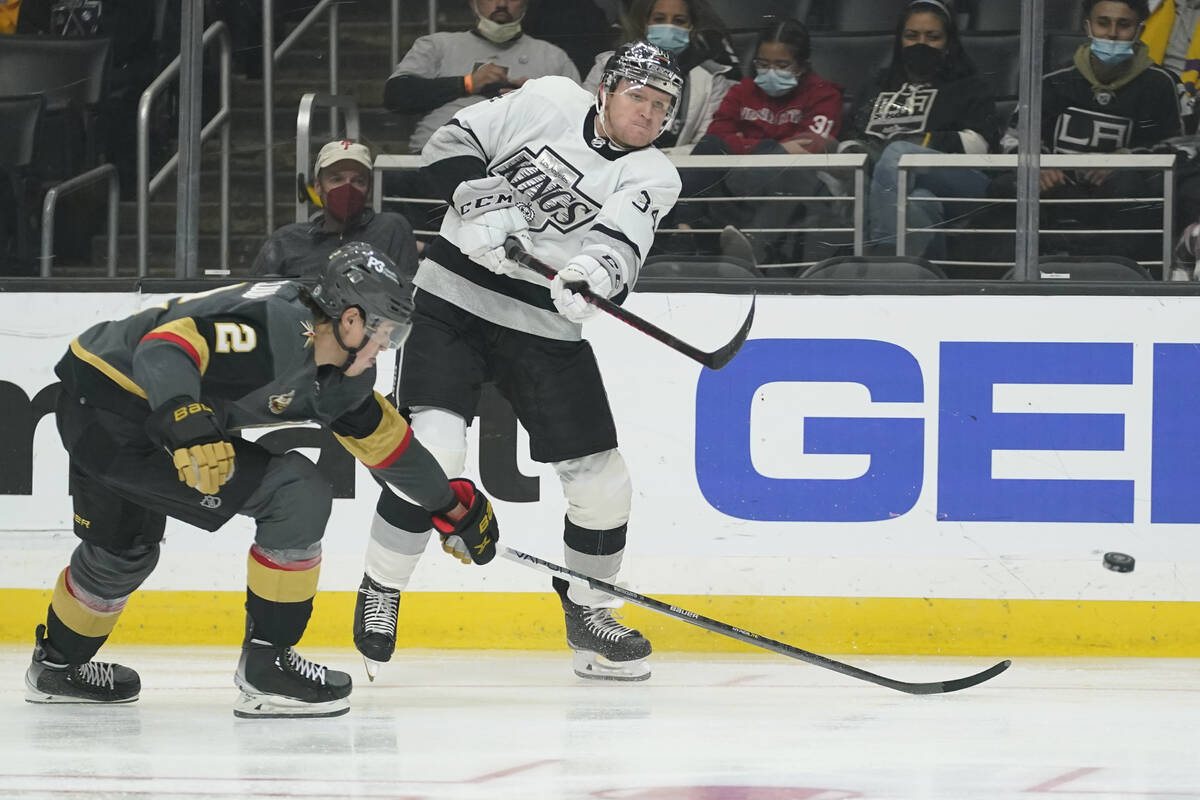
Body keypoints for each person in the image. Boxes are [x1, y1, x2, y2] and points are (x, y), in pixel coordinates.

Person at [25, 243, 498, 718]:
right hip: (120, 415)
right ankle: (268, 667)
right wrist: (186, 422)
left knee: (122, 552)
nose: (385, 349)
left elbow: (388, 444)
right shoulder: (275, 329)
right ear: (350, 320)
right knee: (296, 490)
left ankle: (57, 668)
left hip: (92, 403)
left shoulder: (342, 376)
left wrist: (449, 505)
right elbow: (166, 347)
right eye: (384, 331)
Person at [353, 41, 684, 683]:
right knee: (436, 457)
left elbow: (624, 241)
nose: (647, 114)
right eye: (638, 97)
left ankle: (590, 615)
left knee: (601, 480)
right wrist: (480, 204)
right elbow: (447, 147)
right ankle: (381, 586)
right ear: (606, 91)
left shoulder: (653, 175)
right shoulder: (548, 100)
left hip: (543, 328)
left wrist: (592, 273)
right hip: (452, 303)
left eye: (662, 106)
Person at [837, 0, 999, 262]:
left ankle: (883, 251)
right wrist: (861, 153)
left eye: (932, 37)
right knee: (919, 202)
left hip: (961, 180)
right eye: (912, 36)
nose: (920, 44)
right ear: (899, 40)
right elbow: (847, 139)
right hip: (892, 184)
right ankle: (927, 279)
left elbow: (982, 145)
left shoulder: (969, 85)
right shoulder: (877, 84)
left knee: (899, 153)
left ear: (949, 42)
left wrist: (921, 141)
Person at [675, 17, 843, 267]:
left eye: (782, 65)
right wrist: (773, 147)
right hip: (742, 176)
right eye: (763, 64)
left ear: (802, 65)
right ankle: (681, 228)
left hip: (799, 178)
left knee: (773, 157)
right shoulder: (742, 91)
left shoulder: (824, 94)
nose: (770, 72)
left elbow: (811, 145)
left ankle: (746, 244)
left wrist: (752, 146)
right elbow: (718, 133)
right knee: (711, 146)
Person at [1027, 0, 1184, 267]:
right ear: (1086, 25)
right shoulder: (1051, 79)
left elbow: (1185, 146)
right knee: (1009, 186)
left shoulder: (1163, 83)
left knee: (1131, 189)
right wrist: (1040, 164)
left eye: (1123, 25)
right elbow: (1014, 135)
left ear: (1139, 29)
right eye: (1103, 23)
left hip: (1125, 196)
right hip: (1059, 191)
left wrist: (1125, 161)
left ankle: (1122, 274)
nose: (1112, 33)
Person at [383, 0, 581, 156]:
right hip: (438, 156)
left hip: (525, 166)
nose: (502, 4)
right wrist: (467, 83)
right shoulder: (438, 45)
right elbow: (395, 96)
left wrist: (535, 101)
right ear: (473, 3)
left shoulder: (552, 57)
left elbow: (581, 123)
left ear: (526, 4)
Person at [583, 0, 737, 155]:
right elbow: (583, 117)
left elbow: (703, 146)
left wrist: (656, 159)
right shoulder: (609, 64)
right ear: (645, 23)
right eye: (659, 19)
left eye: (679, 21)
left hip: (677, 168)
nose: (669, 27)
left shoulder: (711, 79)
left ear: (692, 26)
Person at [251, 140, 419, 282]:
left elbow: (408, 300)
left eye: (358, 181)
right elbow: (254, 301)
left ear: (368, 188)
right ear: (318, 187)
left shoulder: (391, 229)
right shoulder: (285, 241)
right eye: (336, 179)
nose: (347, 188)